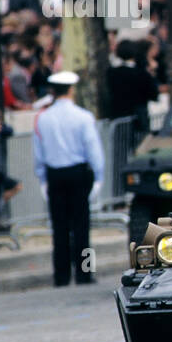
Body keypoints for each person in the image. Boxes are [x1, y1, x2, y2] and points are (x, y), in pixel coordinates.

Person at [32, 71, 105, 286]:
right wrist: (99, 176)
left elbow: (38, 153)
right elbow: (94, 151)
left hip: (55, 175)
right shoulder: (83, 117)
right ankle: (85, 273)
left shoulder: (43, 118)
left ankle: (61, 275)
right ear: (71, 90)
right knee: (82, 227)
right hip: (78, 173)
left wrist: (42, 179)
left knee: (59, 228)